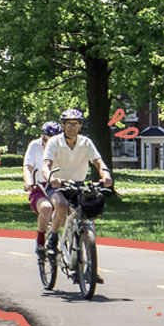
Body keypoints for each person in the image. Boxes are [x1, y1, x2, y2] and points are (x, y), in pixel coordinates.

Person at [42, 108, 113, 281]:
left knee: (88, 218)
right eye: (68, 124)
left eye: (76, 124)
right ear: (63, 125)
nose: (72, 127)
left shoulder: (86, 143)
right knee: (61, 205)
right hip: (58, 184)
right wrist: (51, 177)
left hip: (78, 184)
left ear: (80, 125)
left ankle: (90, 266)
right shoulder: (54, 142)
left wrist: (106, 175)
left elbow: (98, 162)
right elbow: (46, 164)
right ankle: (52, 238)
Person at [24, 121, 63, 255]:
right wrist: (29, 182)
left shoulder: (64, 148)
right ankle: (40, 242)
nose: (50, 144)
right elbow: (27, 167)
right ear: (43, 137)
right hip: (40, 187)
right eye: (47, 140)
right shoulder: (35, 146)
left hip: (59, 187)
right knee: (46, 208)